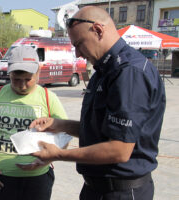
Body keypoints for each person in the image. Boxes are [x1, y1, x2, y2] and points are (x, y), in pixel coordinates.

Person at [29, 6, 166, 200]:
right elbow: (103, 130)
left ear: (98, 30)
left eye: (79, 44)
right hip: (97, 188)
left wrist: (58, 154)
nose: (77, 54)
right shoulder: (103, 71)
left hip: (123, 192)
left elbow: (119, 150)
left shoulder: (129, 72)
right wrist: (60, 125)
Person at [0, 46, 67, 200]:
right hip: (0, 179)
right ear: (9, 73)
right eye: (16, 79)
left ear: (38, 72)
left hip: (37, 180)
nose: (22, 85)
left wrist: (47, 160)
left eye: (28, 79)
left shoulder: (49, 98)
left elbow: (64, 138)